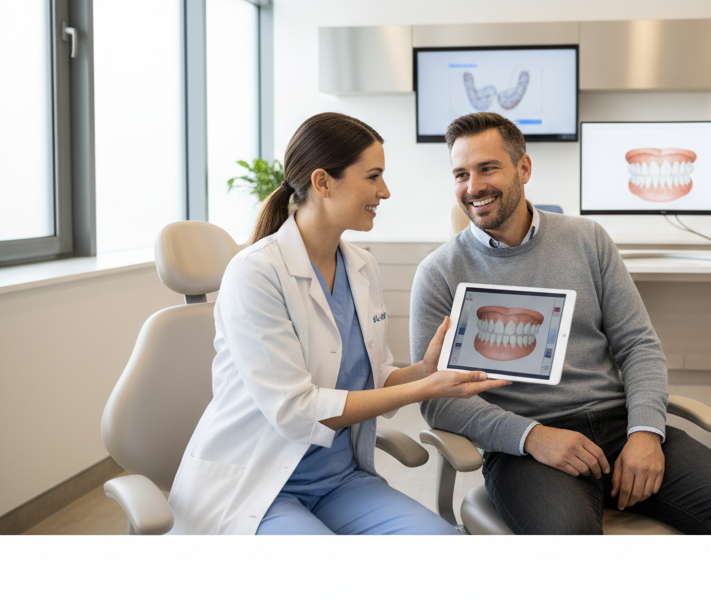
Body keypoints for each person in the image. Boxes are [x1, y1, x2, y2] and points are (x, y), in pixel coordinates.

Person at [410, 112, 711, 535]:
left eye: (487, 168)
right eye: (461, 174)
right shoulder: (439, 272)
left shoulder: (588, 240)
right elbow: (436, 398)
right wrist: (532, 436)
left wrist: (644, 431)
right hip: (525, 448)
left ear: (524, 168)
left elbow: (639, 346)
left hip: (618, 425)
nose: (473, 187)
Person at [168, 112, 509, 535]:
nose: (384, 191)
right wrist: (424, 389)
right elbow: (295, 412)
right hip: (261, 486)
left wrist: (422, 371)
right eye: (372, 176)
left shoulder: (361, 265)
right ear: (322, 182)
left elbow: (376, 376)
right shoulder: (255, 273)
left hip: (340, 482)